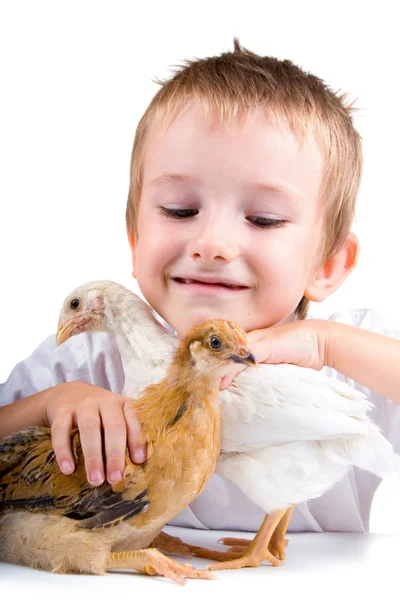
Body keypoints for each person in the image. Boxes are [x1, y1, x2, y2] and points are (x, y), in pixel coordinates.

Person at [1, 40, 399, 533]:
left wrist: (327, 344)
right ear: (135, 239)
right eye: (179, 211)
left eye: (264, 218)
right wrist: (48, 403)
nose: (212, 243)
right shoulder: (92, 362)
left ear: (330, 264)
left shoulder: (357, 364)